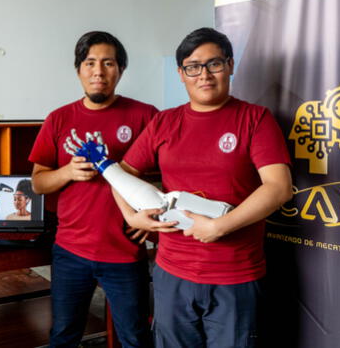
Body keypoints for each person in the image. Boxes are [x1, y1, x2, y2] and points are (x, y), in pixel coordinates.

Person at [113, 28, 293, 347]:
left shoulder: (255, 119)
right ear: (181, 74)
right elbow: (122, 172)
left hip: (235, 274)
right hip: (173, 272)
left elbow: (279, 188)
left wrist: (219, 227)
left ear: (231, 65)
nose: (204, 75)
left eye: (215, 64)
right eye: (193, 67)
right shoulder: (164, 122)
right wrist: (131, 216)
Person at [29, 31, 157, 347]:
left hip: (125, 252)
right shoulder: (58, 118)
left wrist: (149, 212)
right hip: (71, 251)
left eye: (108, 63)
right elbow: (38, 182)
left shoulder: (145, 116)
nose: (98, 71)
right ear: (79, 70)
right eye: (90, 63)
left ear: (120, 70)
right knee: (63, 335)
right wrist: (67, 172)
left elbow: (169, 177)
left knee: (135, 337)